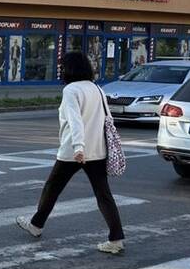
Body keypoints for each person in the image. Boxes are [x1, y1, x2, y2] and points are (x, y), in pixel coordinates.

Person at [16, 51, 126, 255]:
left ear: (70, 69)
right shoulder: (96, 88)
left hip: (74, 151)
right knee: (103, 195)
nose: (60, 70)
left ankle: (36, 225)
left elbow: (75, 121)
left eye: (62, 66)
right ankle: (116, 238)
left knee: (52, 187)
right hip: (97, 150)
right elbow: (106, 119)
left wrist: (78, 148)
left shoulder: (71, 90)